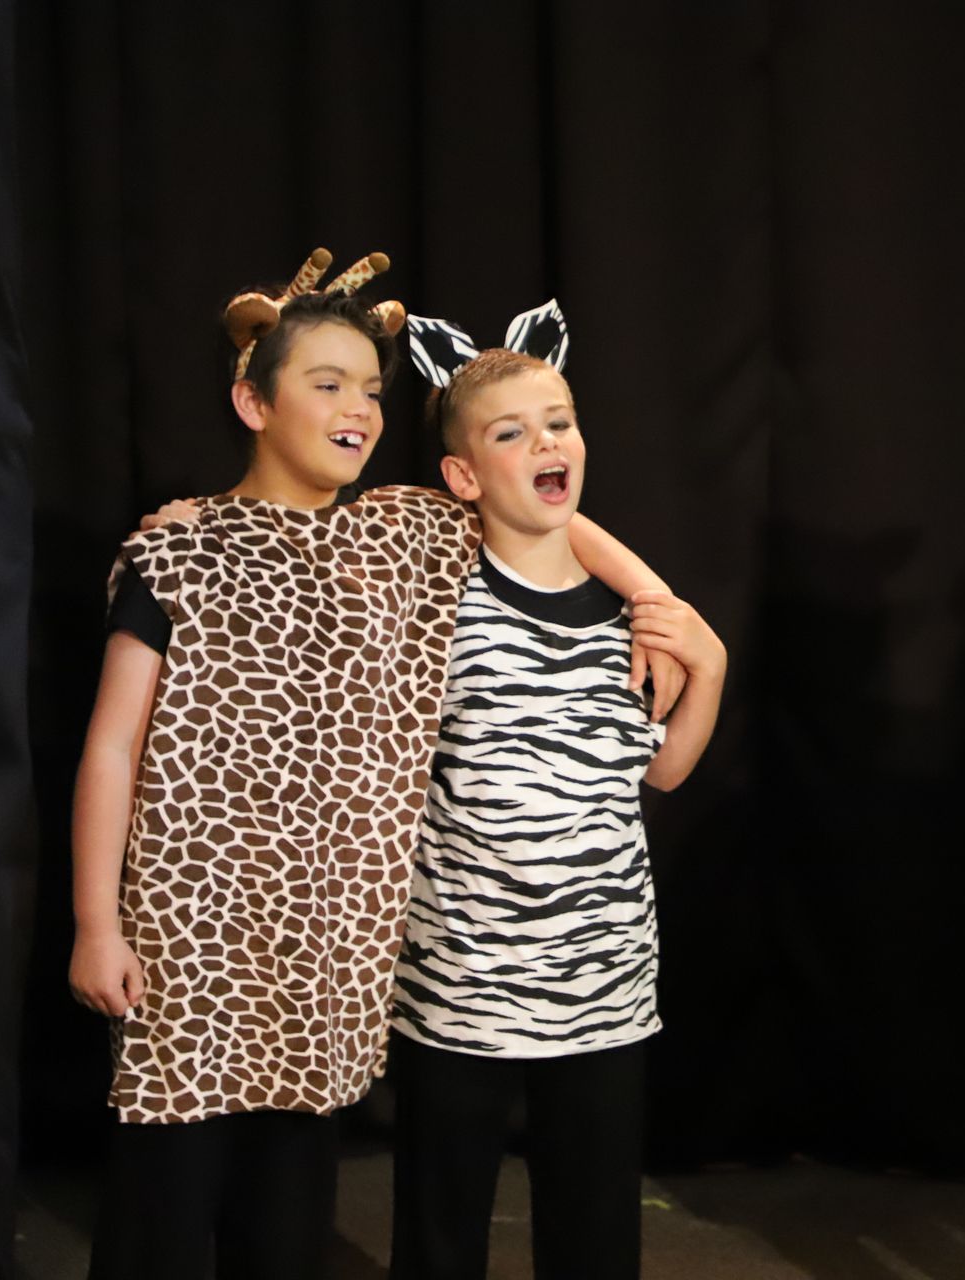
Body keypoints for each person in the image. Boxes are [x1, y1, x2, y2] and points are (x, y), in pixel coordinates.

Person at [67, 252, 673, 1280]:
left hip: (327, 954)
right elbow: (112, 744)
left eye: (373, 390)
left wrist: (669, 611)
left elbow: (541, 506)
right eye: (327, 383)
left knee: (287, 1219)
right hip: (189, 943)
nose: (358, 407)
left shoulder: (403, 532)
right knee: (163, 1213)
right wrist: (96, 919)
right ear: (251, 401)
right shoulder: (180, 553)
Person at [385, 304, 726, 1280]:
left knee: (592, 1229)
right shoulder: (438, 599)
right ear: (462, 475)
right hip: (461, 984)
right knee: (442, 1224)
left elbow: (661, 769)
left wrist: (710, 669)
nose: (547, 440)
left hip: (601, 982)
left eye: (561, 420)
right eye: (511, 431)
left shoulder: (625, 609)